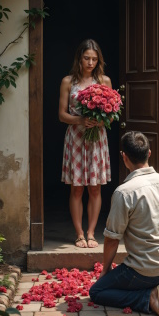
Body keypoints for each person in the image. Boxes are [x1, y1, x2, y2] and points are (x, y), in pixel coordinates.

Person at [89, 131, 159, 316]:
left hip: (145, 273)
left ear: (123, 157)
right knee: (157, 275)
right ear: (149, 153)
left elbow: (112, 239)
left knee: (97, 291)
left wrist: (106, 270)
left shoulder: (124, 193)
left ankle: (148, 297)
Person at [59, 39, 112, 248]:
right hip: (76, 139)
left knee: (95, 189)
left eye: (94, 59)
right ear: (79, 58)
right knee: (77, 189)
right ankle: (79, 233)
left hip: (96, 138)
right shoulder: (68, 82)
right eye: (86, 58)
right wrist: (81, 120)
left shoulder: (104, 81)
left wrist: (101, 120)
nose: (90, 62)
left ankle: (91, 233)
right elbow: (62, 115)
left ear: (98, 60)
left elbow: (111, 113)